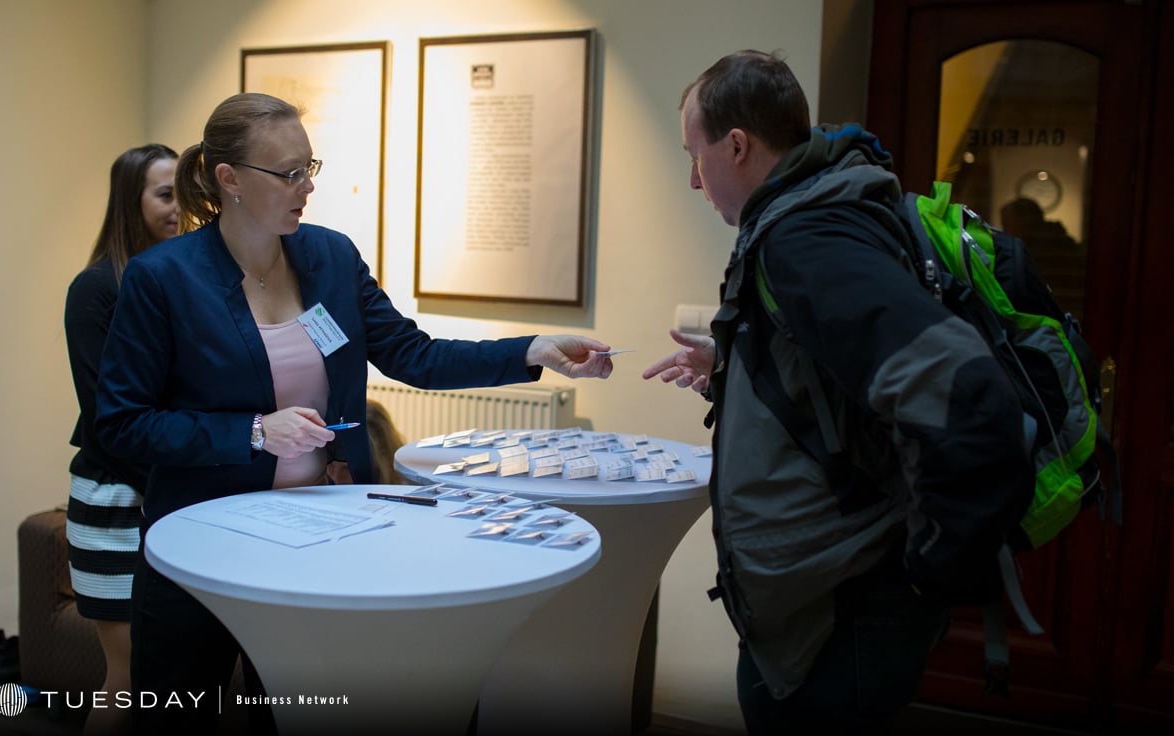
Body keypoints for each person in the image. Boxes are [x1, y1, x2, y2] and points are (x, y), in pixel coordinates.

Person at [93, 92, 614, 734]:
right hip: (206, 541)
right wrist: (253, 432)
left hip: (316, 537)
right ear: (228, 179)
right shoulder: (162, 277)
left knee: (288, 712)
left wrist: (532, 349)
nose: (305, 186)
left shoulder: (330, 257)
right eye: (287, 173)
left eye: (311, 167)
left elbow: (412, 353)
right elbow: (122, 422)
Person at [642, 50, 1032, 733]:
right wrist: (735, 368)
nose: (694, 182)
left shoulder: (805, 238)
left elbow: (965, 394)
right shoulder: (814, 212)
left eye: (695, 156)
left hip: (841, 615)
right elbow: (841, 378)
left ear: (737, 145)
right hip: (830, 607)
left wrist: (930, 569)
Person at [63, 143, 180, 735]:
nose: (179, 207)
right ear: (129, 203)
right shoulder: (95, 289)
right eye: (164, 195)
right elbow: (110, 419)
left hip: (171, 497)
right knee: (129, 678)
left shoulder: (180, 282)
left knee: (170, 681)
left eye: (183, 192)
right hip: (117, 498)